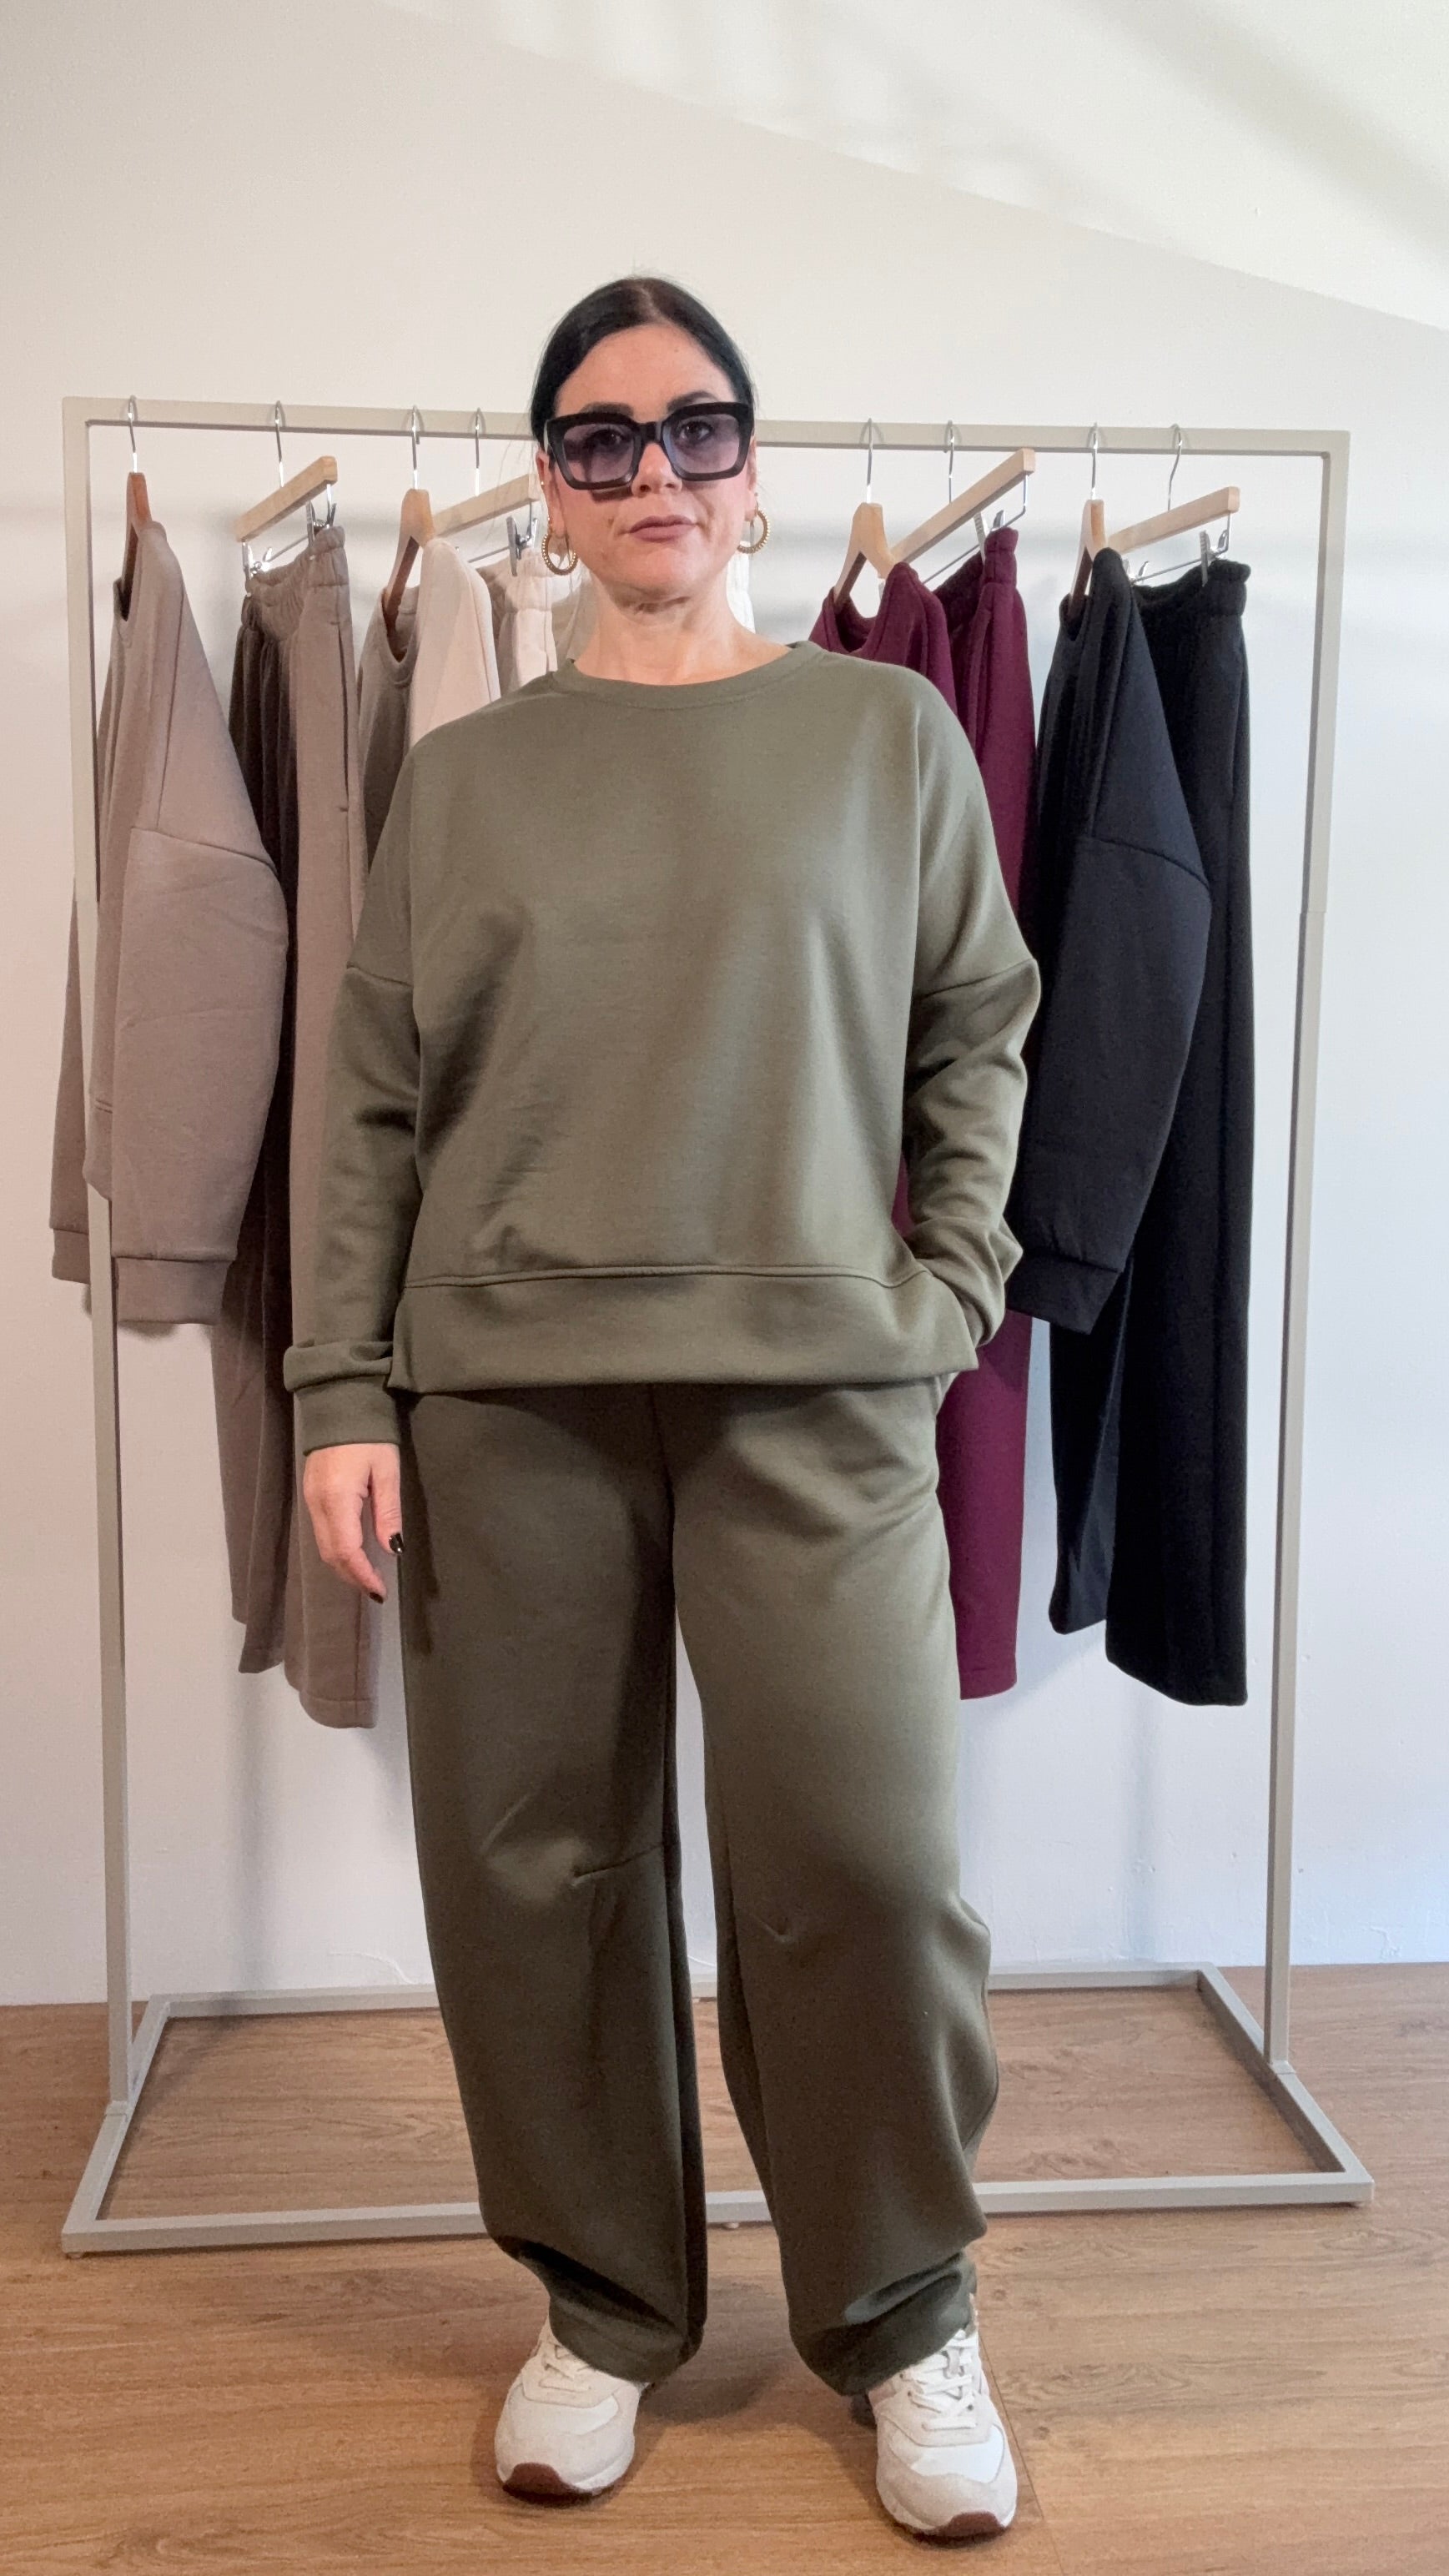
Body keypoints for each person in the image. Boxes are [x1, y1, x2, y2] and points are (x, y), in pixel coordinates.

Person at [285, 274, 1041, 2544]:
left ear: (751, 461)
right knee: (536, 1871)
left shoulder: (884, 738)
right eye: (600, 438)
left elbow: (979, 1022)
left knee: (863, 1867)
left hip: (817, 1386)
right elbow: (371, 1101)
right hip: (504, 1396)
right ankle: (604, 2308)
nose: (652, 473)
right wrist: (341, 1382)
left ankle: (902, 2315)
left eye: (694, 427)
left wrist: (952, 1283)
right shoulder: (463, 778)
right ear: (549, 480)